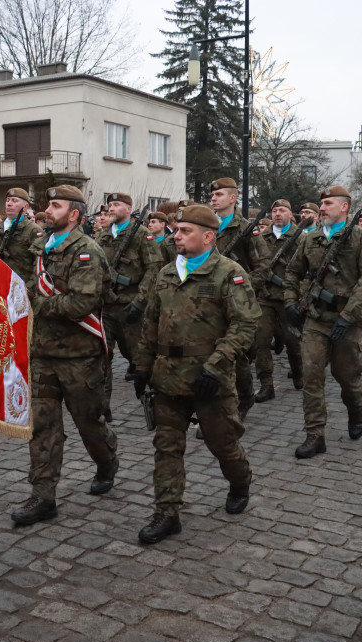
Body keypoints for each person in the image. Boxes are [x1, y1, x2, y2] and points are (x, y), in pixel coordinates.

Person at [133, 204, 260, 543]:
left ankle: (240, 481)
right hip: (168, 378)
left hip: (209, 379)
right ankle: (167, 512)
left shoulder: (228, 273)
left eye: (185, 231)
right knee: (167, 446)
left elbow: (245, 324)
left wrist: (216, 365)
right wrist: (142, 366)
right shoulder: (165, 274)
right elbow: (150, 325)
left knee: (223, 442)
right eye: (176, 230)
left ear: (208, 236)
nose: (177, 236)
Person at [11, 185, 119, 526]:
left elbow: (80, 304)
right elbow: (31, 287)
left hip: (78, 356)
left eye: (56, 205)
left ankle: (107, 461)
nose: (48, 210)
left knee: (89, 423)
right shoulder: (41, 247)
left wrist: (36, 304)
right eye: (48, 204)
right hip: (42, 353)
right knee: (42, 427)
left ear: (74, 214)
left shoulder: (88, 251)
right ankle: (42, 497)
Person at [284, 186, 362, 459]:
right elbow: (292, 272)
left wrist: (349, 316)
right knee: (311, 377)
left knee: (347, 377)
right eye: (320, 203)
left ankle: (355, 409)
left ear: (345, 207)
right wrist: (290, 302)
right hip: (316, 319)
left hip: (346, 321)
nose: (322, 208)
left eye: (327, 203)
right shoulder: (310, 238)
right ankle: (315, 435)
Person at [208, 178, 272, 421]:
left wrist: (244, 290)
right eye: (212, 195)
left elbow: (263, 264)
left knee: (237, 354)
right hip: (208, 298)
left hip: (236, 299)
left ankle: (242, 399)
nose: (214, 198)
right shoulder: (207, 226)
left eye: (219, 194)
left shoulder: (246, 228)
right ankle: (215, 407)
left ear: (233, 198)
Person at [94, 192, 162, 418]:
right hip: (106, 308)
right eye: (109, 205)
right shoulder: (102, 236)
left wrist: (140, 301)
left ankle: (155, 403)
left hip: (131, 308)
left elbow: (154, 270)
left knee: (140, 358)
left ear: (128, 208)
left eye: (116, 205)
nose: (111, 208)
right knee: (102, 357)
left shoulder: (142, 235)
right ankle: (103, 407)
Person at [255, 199, 306, 401]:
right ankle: (266, 385)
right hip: (264, 297)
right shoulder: (261, 236)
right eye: (274, 210)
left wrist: (298, 295)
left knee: (293, 342)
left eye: (282, 210)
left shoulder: (300, 237)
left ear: (290, 214)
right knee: (260, 341)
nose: (277, 214)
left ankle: (299, 371)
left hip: (288, 299)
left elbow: (307, 269)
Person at [0, 188, 42, 284]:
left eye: (14, 201)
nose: (9, 204)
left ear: (25, 207)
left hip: (20, 289)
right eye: (7, 200)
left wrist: (28, 289)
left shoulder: (33, 231)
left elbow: (39, 265)